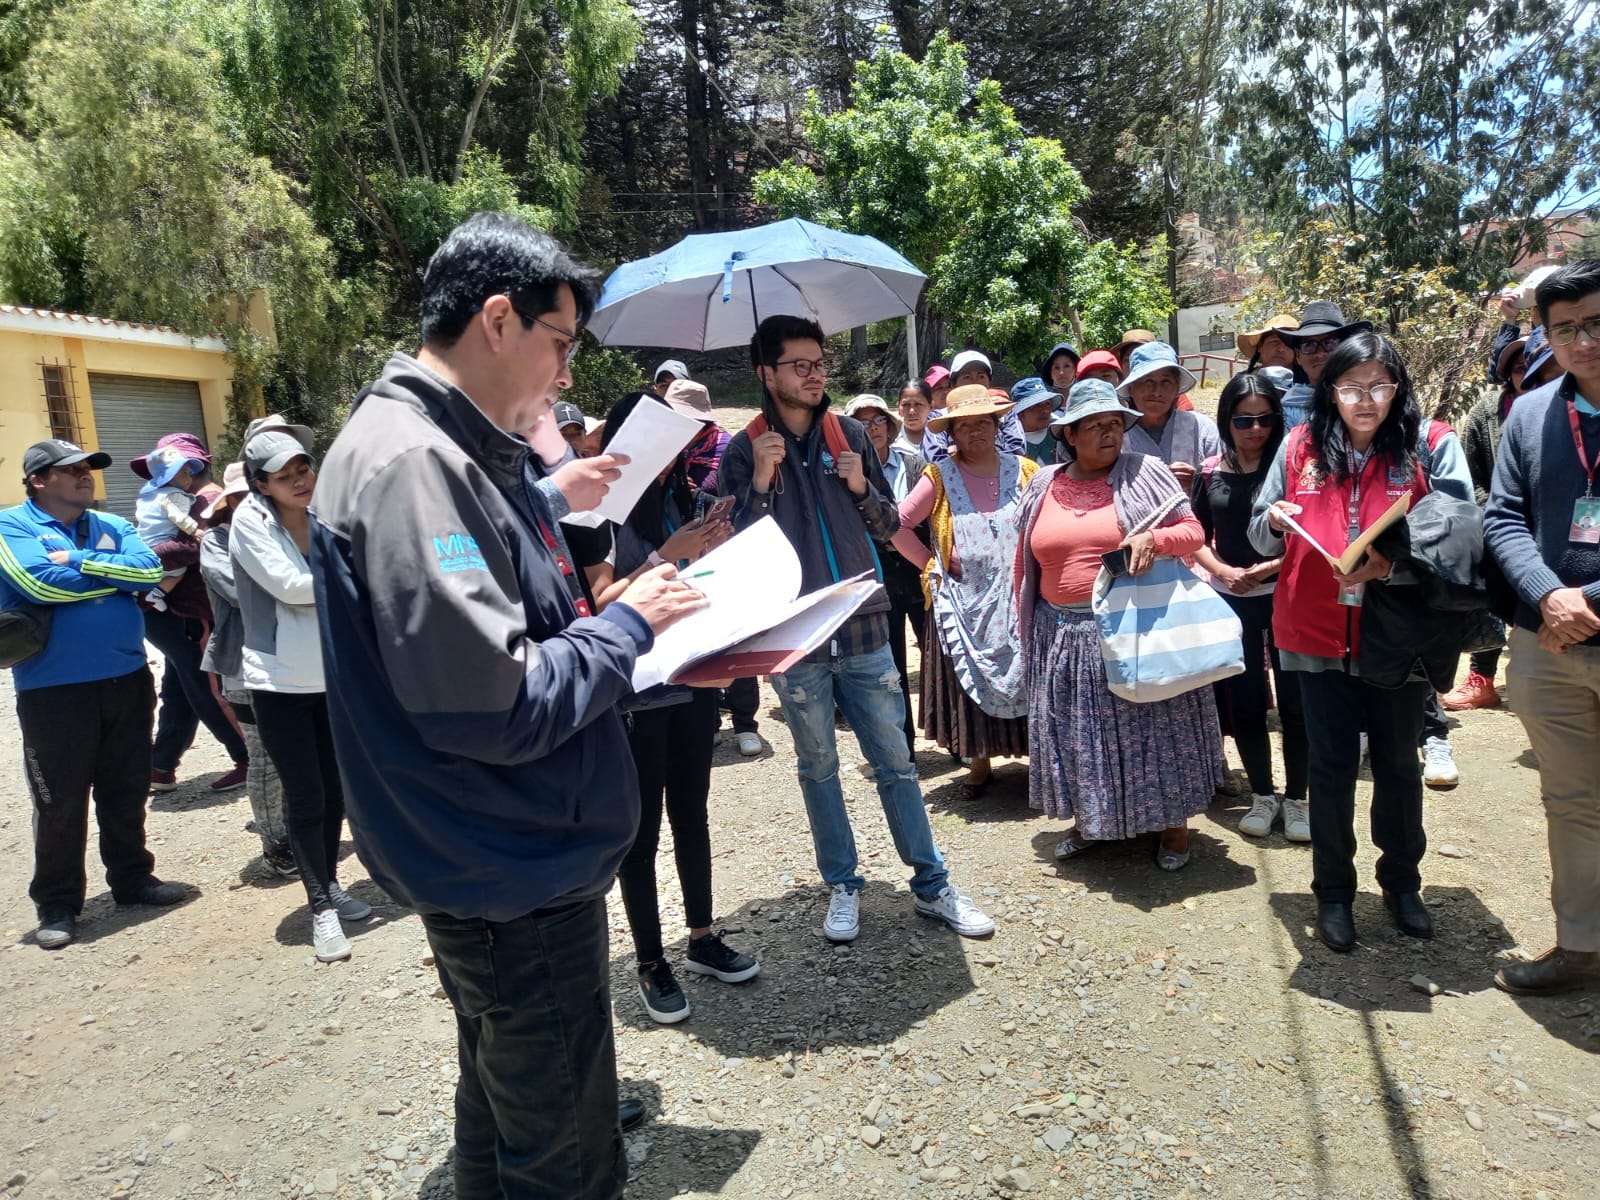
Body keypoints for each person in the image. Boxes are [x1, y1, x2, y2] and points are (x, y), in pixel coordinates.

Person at [313, 213, 700, 1198]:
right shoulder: (415, 466)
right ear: (498, 319)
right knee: (564, 1158)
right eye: (560, 343)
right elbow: (502, 705)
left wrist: (545, 497)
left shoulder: (443, 448)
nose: (566, 375)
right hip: (508, 864)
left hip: (484, 854)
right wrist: (631, 626)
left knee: (500, 1108)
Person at [720, 313, 995, 943]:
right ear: (767, 373)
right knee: (817, 765)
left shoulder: (849, 434)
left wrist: (860, 483)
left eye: (820, 364)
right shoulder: (746, 448)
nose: (816, 376)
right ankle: (843, 884)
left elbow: (886, 524)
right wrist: (762, 484)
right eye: (800, 365)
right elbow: (736, 547)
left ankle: (932, 884)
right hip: (794, 633)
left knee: (895, 762)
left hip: (865, 623)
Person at [1249, 331, 1473, 952]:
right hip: (1314, 633)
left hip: (1397, 635)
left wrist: (1388, 566)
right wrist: (1272, 520)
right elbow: (1259, 533)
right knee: (1330, 765)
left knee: (1399, 765)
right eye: (1350, 387)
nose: (1364, 399)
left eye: (1378, 385)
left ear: (1397, 389)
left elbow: (1458, 537)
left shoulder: (1427, 444)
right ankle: (1334, 894)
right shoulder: (1298, 445)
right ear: (1331, 391)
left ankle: (1402, 884)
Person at [580, 391, 755, 1025]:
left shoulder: (683, 494)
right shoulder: (596, 512)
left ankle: (703, 937)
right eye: (655, 436)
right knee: (641, 834)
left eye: (674, 438)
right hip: (634, 693)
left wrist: (714, 547)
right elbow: (600, 605)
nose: (668, 450)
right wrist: (668, 554)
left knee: (693, 813)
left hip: (691, 679)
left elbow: (697, 581)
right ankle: (651, 961)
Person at [1015, 380, 1225, 871]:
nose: (1108, 433)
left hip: (1135, 627)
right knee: (1078, 733)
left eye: (1115, 424)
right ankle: (1093, 820)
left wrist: (1154, 536)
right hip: (1060, 632)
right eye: (1095, 425)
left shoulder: (1144, 473)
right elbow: (1025, 561)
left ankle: (1173, 826)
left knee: (1154, 726)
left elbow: (1192, 531)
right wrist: (1024, 622)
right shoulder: (1043, 483)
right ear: (1069, 435)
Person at [2, 440, 188, 950]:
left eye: (88, 468)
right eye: (72, 470)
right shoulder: (10, 526)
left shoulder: (113, 525)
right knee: (59, 799)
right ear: (38, 479)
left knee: (125, 786)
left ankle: (132, 879)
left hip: (126, 677)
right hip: (53, 688)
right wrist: (113, 579)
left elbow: (151, 571)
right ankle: (58, 903)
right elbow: (40, 584)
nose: (87, 476)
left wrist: (82, 560)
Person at [1484, 257, 1600, 995]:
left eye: (1595, 324)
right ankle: (1581, 945)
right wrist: (1550, 596)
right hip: (1546, 642)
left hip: (1574, 621)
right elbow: (1503, 517)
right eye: (1565, 330)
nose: (1583, 341)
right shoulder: (1529, 413)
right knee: (1570, 799)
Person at [232, 418, 372, 963]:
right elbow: (290, 587)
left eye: (302, 467)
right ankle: (321, 908)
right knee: (305, 794)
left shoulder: (325, 510)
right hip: (280, 681)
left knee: (335, 787)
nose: (298, 479)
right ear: (260, 484)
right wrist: (356, 569)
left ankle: (332, 883)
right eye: (281, 475)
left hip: (335, 675)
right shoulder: (249, 519)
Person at [892, 385, 1036, 798]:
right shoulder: (938, 475)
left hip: (1018, 597)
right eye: (964, 426)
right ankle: (979, 760)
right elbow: (898, 525)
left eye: (982, 423)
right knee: (969, 677)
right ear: (951, 433)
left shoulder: (1025, 471)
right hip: (963, 601)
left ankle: (1035, 754)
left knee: (1028, 670)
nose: (975, 433)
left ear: (996, 426)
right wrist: (930, 564)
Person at [1191, 374, 1309, 840]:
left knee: (1295, 702)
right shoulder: (1210, 471)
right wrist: (1223, 572)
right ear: (1227, 420)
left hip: (1286, 597)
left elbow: (1312, 538)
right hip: (1231, 602)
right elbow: (1194, 535)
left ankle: (1297, 799)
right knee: (1245, 704)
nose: (1255, 429)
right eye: (1244, 419)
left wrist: (1270, 566)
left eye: (1265, 419)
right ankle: (1262, 795)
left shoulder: (1295, 469)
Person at [132, 433, 251, 795]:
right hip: (173, 610)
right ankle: (161, 763)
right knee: (181, 688)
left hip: (191, 610)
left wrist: (139, 559)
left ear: (192, 467)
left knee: (206, 688)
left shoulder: (207, 499)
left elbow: (194, 545)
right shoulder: (176, 498)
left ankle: (248, 757)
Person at [199, 458, 295, 878]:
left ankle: (304, 832)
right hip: (244, 663)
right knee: (265, 758)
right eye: (240, 498)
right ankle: (276, 845)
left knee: (305, 752)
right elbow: (242, 594)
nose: (250, 505)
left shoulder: (287, 534)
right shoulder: (217, 543)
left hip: (297, 660)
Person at [847, 394, 926, 751]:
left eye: (877, 420)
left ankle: (957, 742)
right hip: (877, 574)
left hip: (918, 569)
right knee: (891, 664)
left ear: (890, 425)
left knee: (937, 652)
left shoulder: (915, 465)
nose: (872, 428)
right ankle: (904, 745)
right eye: (862, 423)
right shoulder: (846, 474)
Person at [1117, 341, 1223, 494]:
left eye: (1166, 382)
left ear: (1177, 389)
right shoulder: (1118, 434)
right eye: (1148, 381)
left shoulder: (1202, 428)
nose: (1157, 392)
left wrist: (1199, 480)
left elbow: (1223, 485)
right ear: (1131, 388)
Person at [1274, 303, 1373, 429]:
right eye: (1309, 345)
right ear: (1298, 356)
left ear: (1345, 349)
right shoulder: (1288, 411)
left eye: (1329, 343)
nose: (1320, 354)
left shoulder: (1369, 400)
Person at [920, 351, 1026, 464]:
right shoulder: (939, 417)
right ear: (953, 384)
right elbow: (937, 458)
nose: (975, 382)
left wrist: (961, 454)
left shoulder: (1005, 414)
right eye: (967, 377)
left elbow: (1017, 450)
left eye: (981, 376)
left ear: (989, 382)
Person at [1010, 377, 1063, 465]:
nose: (1045, 411)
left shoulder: (1060, 436)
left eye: (1047, 404)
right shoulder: (1010, 444)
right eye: (1037, 405)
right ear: (1021, 413)